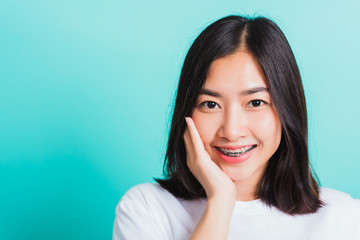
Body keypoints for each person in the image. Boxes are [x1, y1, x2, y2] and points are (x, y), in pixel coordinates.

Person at [112, 15, 360, 239]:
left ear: (287, 110)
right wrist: (220, 201)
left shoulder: (345, 219)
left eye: (255, 102)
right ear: (186, 112)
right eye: (210, 104)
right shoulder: (146, 209)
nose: (231, 131)